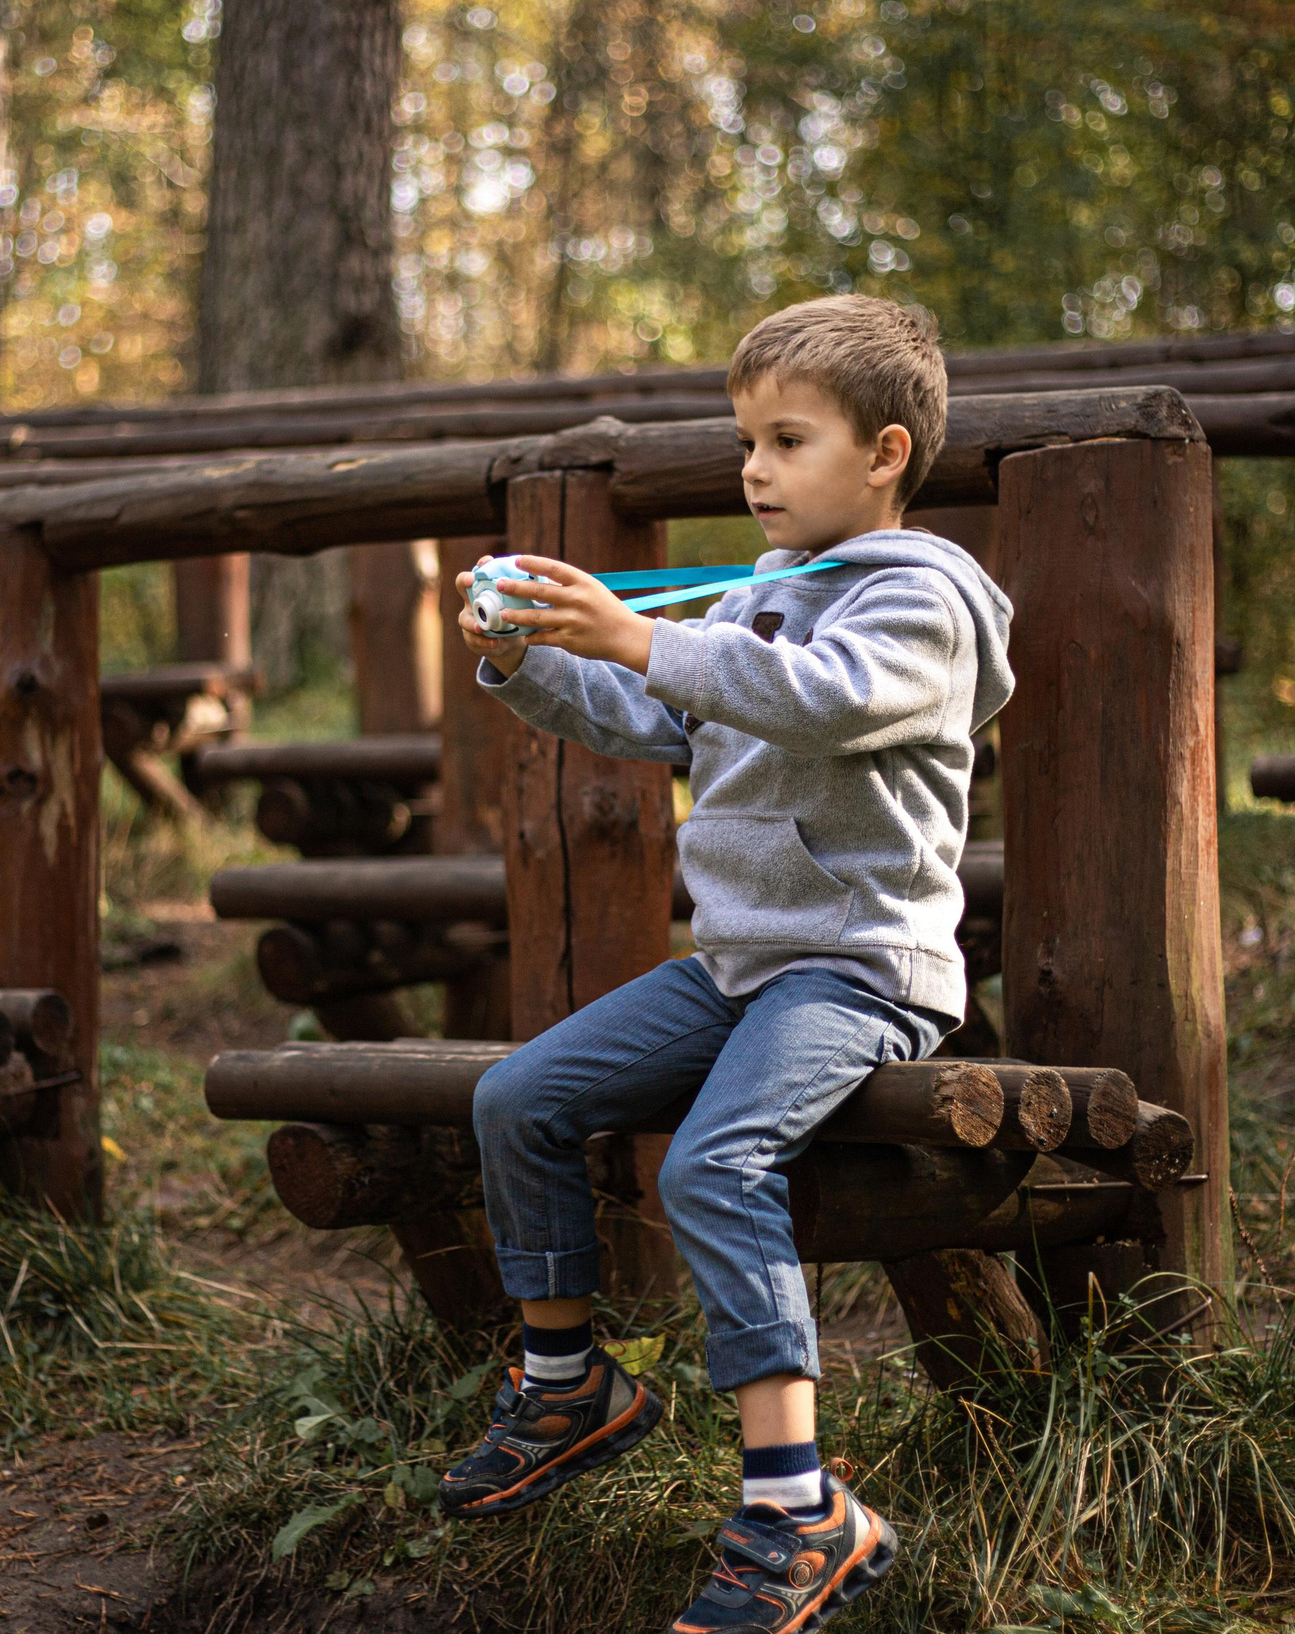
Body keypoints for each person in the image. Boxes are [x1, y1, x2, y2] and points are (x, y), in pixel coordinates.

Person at [437, 293, 1014, 1632]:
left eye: (788, 441)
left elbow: (824, 700)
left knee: (713, 1164)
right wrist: (521, 658)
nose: (755, 468)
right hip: (741, 966)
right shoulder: (763, 595)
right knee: (517, 1098)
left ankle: (798, 1508)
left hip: (860, 969)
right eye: (747, 440)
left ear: (885, 453)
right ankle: (568, 1384)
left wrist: (645, 637)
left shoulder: (922, 602)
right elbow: (651, 715)